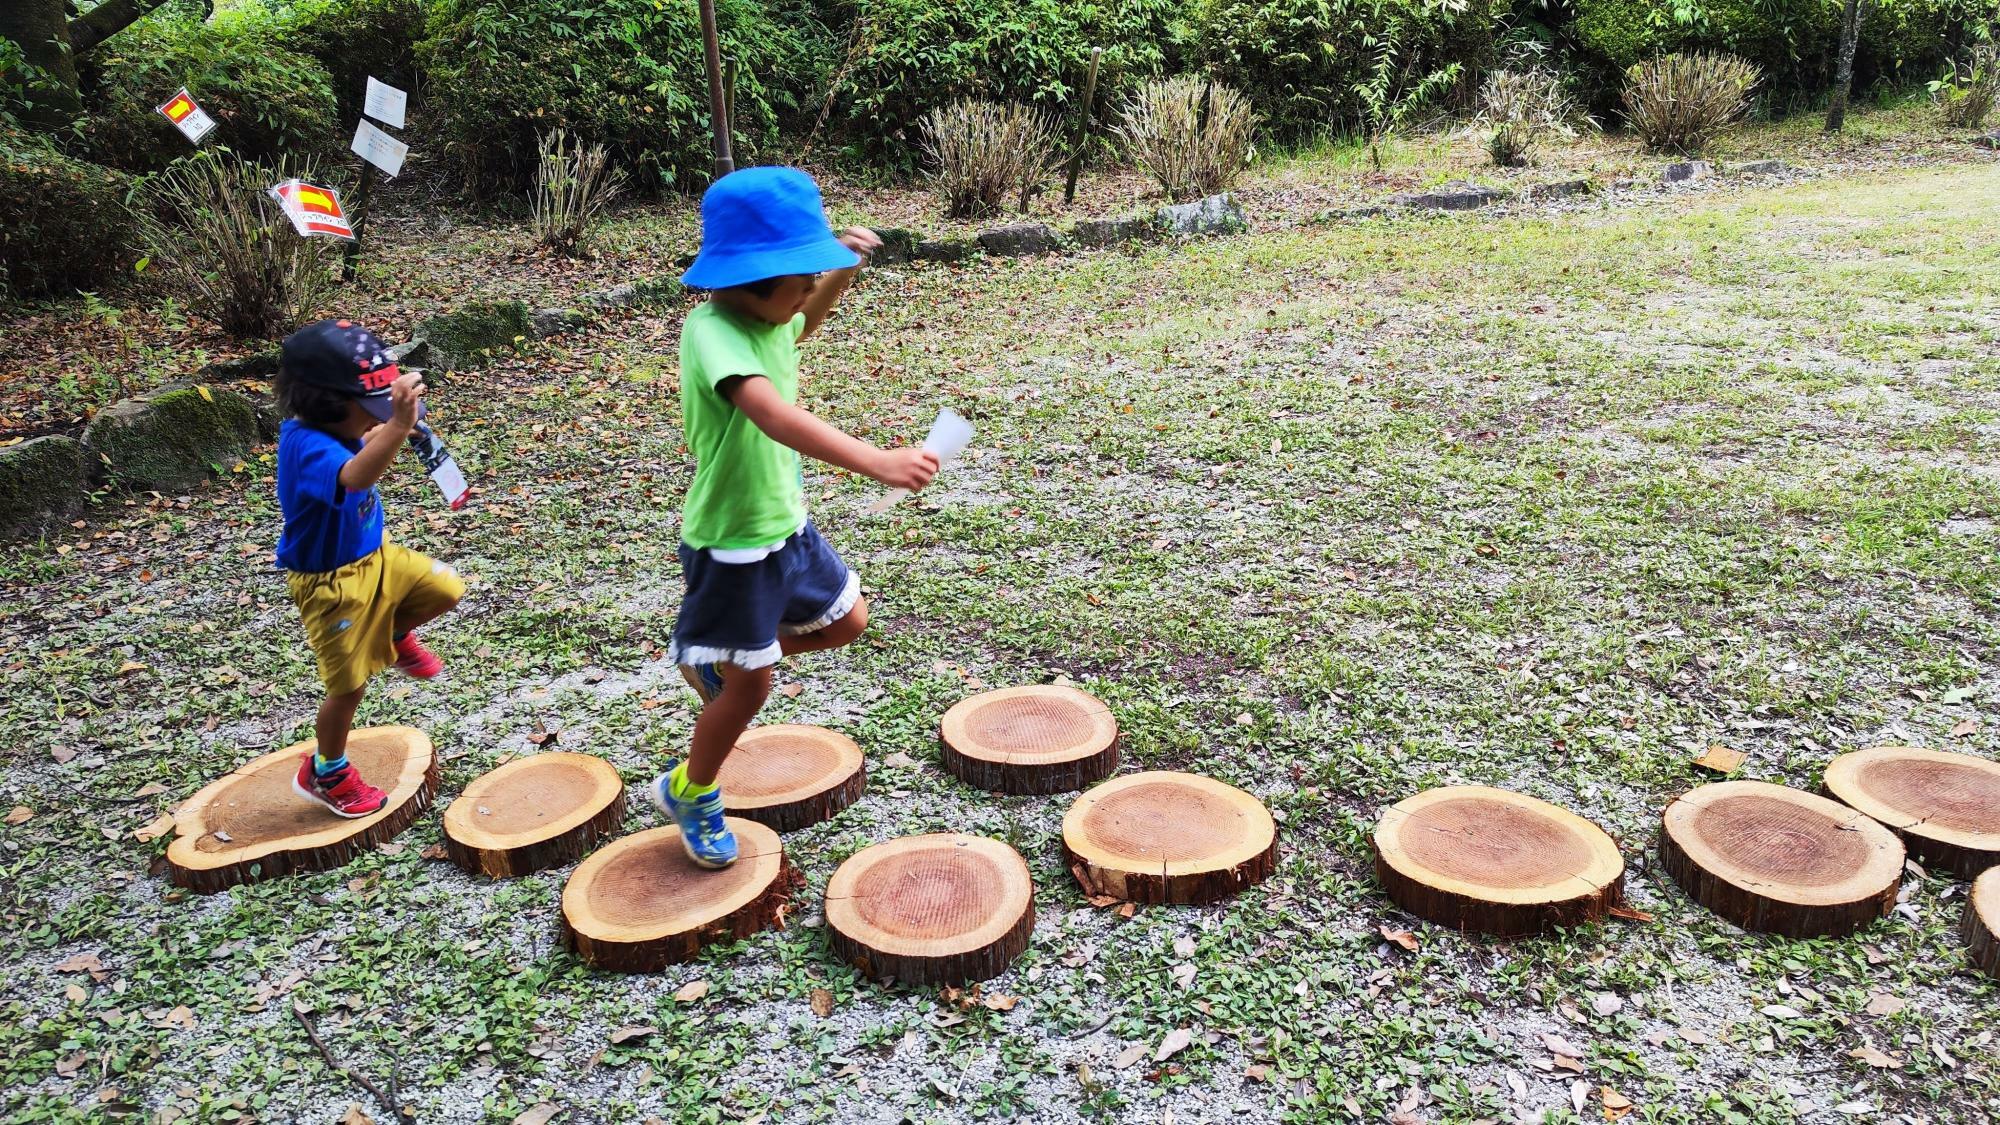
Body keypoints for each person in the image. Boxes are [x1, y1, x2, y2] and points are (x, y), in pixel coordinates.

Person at [655, 166, 939, 868]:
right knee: (754, 690)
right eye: (801, 281)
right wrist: (876, 460)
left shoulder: (766, 316)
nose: (808, 294)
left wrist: (837, 270)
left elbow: (801, 323)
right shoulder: (712, 332)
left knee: (848, 619)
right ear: (755, 282)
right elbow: (772, 413)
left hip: (785, 524)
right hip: (732, 544)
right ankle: (692, 788)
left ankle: (723, 661)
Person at [273, 319, 466, 817]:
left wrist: (392, 426)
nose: (374, 420)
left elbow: (365, 444)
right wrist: (397, 427)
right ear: (327, 403)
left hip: (376, 558)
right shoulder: (304, 444)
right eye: (369, 411)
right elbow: (355, 478)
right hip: (330, 585)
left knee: (445, 588)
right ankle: (326, 770)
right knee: (349, 686)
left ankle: (394, 631)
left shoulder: (340, 427)